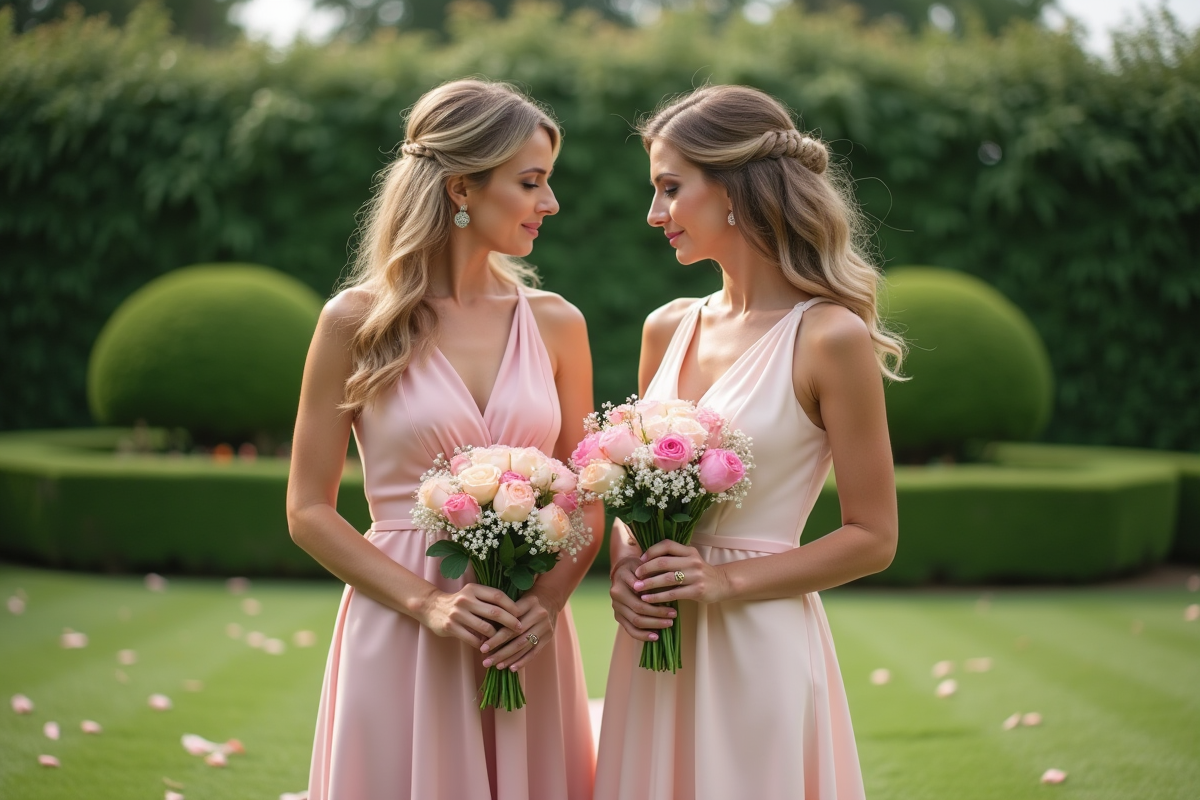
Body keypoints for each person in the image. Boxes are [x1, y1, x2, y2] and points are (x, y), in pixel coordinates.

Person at [287, 79, 599, 800]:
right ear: (462, 188)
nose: (550, 202)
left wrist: (547, 603)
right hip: (401, 627)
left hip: (523, 635)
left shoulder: (557, 323)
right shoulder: (355, 322)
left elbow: (585, 494)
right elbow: (307, 509)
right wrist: (426, 603)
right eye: (531, 182)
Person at [595, 85, 903, 800]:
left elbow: (873, 537)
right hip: (653, 643)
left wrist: (726, 581)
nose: (654, 214)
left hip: (758, 645)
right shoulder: (666, 328)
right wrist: (625, 566)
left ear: (734, 189)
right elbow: (635, 498)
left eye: (671, 188)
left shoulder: (829, 338)